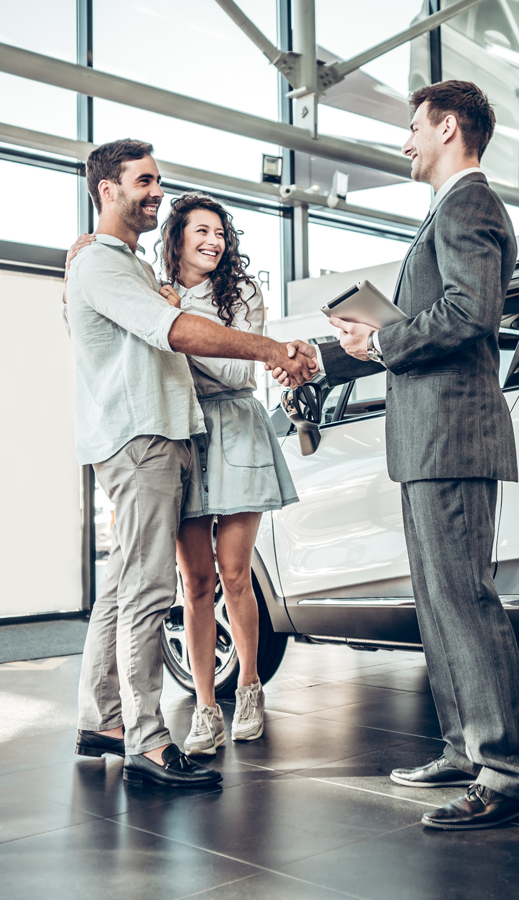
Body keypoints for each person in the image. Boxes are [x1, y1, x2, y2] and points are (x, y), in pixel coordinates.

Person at [274, 80, 519, 830]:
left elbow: (468, 313)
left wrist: (384, 338)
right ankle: (465, 748)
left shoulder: (470, 205)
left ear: (449, 126)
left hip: (453, 435)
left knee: (464, 600)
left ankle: (510, 770)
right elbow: (417, 324)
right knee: (439, 604)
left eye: (413, 128)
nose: (405, 142)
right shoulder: (447, 212)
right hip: (428, 438)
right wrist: (331, 355)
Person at [67, 138, 316, 789]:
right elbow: (171, 332)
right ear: (107, 190)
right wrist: (269, 349)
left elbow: (187, 341)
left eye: (157, 182)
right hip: (146, 439)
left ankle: (103, 719)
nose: (155, 192)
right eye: (143, 181)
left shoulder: (121, 267)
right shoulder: (109, 268)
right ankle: (149, 740)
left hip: (176, 435)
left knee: (128, 585)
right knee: (156, 589)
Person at [156, 192, 298, 755]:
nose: (213, 241)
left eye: (220, 232)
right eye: (202, 231)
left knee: (236, 574)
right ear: (179, 238)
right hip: (184, 432)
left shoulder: (241, 292)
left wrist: (180, 324)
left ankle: (249, 687)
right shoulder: (156, 289)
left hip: (237, 428)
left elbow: (237, 368)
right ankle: (207, 707)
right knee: (194, 583)